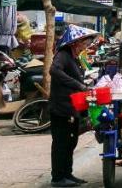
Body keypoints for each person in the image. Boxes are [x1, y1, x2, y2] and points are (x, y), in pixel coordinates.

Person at [48, 25, 97, 187]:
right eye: (84, 43)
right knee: (62, 142)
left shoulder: (74, 57)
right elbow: (54, 70)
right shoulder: (63, 55)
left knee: (71, 142)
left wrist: (85, 84)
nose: (86, 46)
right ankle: (58, 177)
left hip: (72, 106)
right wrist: (79, 85)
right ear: (75, 43)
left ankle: (67, 174)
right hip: (61, 107)